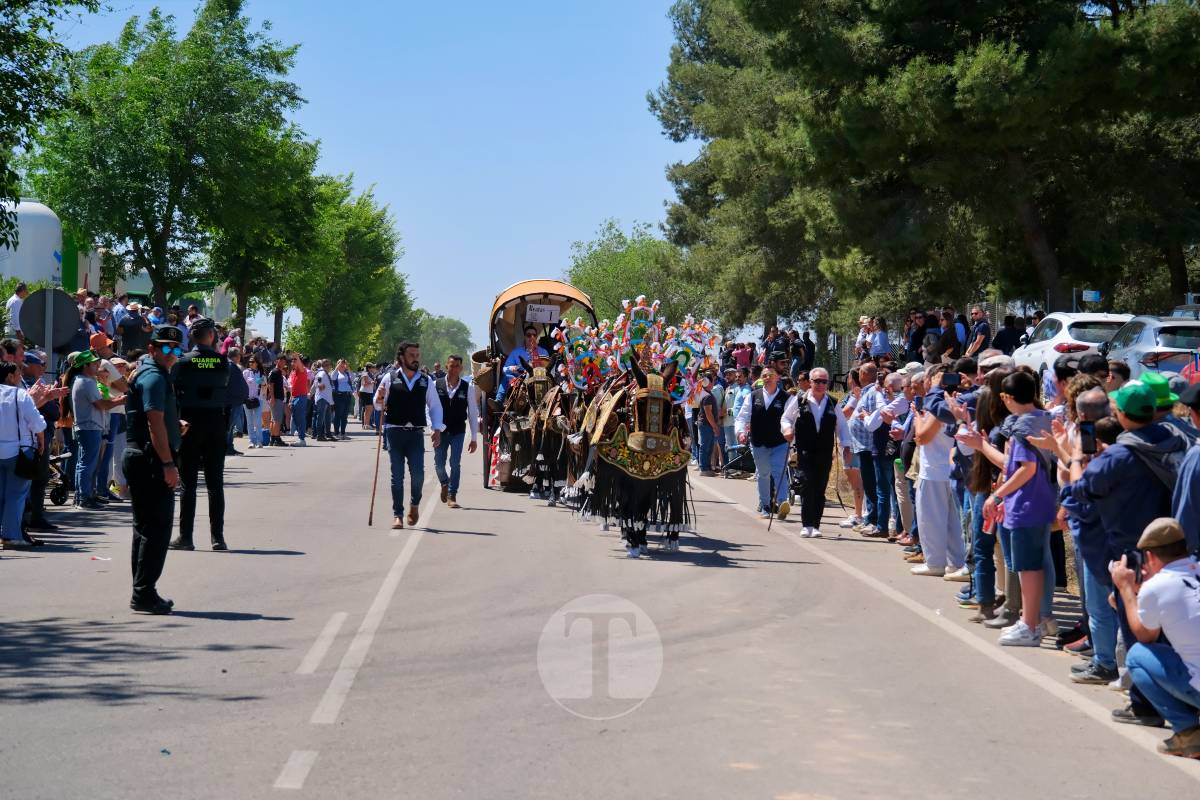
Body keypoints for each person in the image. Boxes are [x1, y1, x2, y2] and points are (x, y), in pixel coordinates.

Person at [1111, 518, 1200, 757]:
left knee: (1138, 656)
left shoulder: (1157, 586)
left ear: (1149, 556)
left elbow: (1145, 634)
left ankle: (1188, 732)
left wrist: (1126, 591)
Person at [125, 326, 184, 614]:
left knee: (144, 527)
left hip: (142, 455)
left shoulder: (148, 371)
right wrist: (168, 464)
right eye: (166, 348)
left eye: (176, 349)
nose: (172, 354)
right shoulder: (154, 376)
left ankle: (142, 590)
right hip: (150, 460)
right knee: (157, 529)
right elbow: (153, 421)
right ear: (152, 349)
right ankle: (144, 593)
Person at [169, 318, 231, 552]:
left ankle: (186, 536)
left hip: (189, 423)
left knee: (189, 483)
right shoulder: (223, 362)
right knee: (216, 483)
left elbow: (170, 391)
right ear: (212, 336)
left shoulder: (182, 362)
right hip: (215, 421)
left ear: (191, 337)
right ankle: (218, 538)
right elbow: (233, 391)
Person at [374, 342, 444, 529]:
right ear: (402, 358)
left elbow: (435, 406)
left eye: (417, 355)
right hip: (394, 431)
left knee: (418, 475)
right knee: (397, 476)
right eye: (411, 354)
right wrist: (380, 397)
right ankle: (398, 515)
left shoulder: (425, 380)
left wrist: (436, 428)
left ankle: (414, 505)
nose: (416, 358)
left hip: (415, 434)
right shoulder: (390, 378)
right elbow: (378, 405)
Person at [781, 367, 851, 537]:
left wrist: (846, 446)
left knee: (820, 488)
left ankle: (816, 526)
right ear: (810, 383)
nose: (820, 385)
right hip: (805, 451)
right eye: (817, 381)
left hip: (825, 452)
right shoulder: (799, 400)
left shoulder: (833, 403)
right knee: (807, 484)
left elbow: (842, 427)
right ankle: (807, 524)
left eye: (824, 381)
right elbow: (786, 418)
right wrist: (787, 430)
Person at [0, 362, 46, 551]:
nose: (21, 375)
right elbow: (37, 423)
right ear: (10, 376)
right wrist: (41, 440)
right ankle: (10, 535)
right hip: (20, 452)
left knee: (2, 494)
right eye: (18, 372)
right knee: (16, 495)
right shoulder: (20, 395)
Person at [70, 350, 125, 508]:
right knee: (88, 464)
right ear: (85, 366)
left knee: (86, 463)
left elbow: (102, 403)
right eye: (94, 363)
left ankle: (84, 496)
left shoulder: (84, 380)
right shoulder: (86, 382)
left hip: (89, 427)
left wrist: (116, 400)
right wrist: (120, 400)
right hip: (89, 427)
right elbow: (102, 404)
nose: (97, 366)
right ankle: (84, 498)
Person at [735, 366, 790, 520]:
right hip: (759, 442)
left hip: (780, 442)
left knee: (779, 471)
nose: (767, 377)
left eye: (770, 375)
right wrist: (740, 432)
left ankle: (782, 502)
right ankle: (765, 505)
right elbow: (742, 416)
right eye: (764, 375)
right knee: (764, 474)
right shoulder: (753, 396)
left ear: (777, 377)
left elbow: (793, 419)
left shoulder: (787, 398)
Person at [433, 354, 478, 509]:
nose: (454, 369)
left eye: (457, 366)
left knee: (455, 463)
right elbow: (429, 408)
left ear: (461, 368)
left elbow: (472, 413)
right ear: (447, 366)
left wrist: (474, 438)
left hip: (458, 431)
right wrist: (434, 427)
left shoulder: (468, 388)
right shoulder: (436, 384)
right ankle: (445, 483)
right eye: (451, 365)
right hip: (441, 431)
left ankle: (452, 495)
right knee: (439, 464)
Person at [496, 325, 549, 405]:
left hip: (540, 379)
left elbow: (548, 368)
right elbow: (504, 369)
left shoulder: (544, 352)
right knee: (507, 377)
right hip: (520, 380)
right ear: (524, 337)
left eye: (534, 335)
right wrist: (511, 368)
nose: (532, 337)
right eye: (528, 335)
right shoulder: (516, 352)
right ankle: (498, 401)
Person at [224, 347, 249, 456]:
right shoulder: (229, 366)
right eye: (239, 355)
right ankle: (226, 447)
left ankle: (229, 447)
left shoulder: (233, 366)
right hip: (231, 401)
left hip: (236, 400)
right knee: (229, 426)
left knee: (231, 425)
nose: (240, 358)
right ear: (236, 356)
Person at [242, 354, 265, 449]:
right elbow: (242, 384)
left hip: (258, 399)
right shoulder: (246, 372)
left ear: (257, 363)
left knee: (258, 421)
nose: (250, 363)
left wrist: (259, 381)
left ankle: (259, 441)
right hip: (247, 399)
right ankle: (251, 441)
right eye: (250, 362)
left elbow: (264, 384)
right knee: (250, 421)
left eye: (252, 362)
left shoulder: (261, 373)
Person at [266, 354, 289, 446]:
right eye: (282, 361)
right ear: (277, 361)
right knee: (277, 420)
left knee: (274, 419)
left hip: (278, 398)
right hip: (277, 398)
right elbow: (270, 385)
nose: (283, 363)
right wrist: (272, 397)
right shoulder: (275, 371)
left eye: (284, 361)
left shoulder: (278, 372)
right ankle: (277, 439)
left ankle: (273, 438)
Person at [288, 353, 310, 446]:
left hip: (301, 397)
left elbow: (300, 365)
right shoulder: (292, 372)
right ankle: (300, 437)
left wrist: (297, 357)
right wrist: (290, 399)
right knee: (296, 418)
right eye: (292, 361)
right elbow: (292, 387)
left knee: (300, 418)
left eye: (295, 361)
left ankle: (302, 439)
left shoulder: (303, 370)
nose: (293, 362)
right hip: (294, 397)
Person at [331, 359, 354, 439]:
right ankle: (337, 433)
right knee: (338, 414)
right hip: (339, 395)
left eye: (343, 364)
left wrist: (348, 366)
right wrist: (338, 365)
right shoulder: (336, 373)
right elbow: (332, 377)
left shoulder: (347, 373)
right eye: (341, 364)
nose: (343, 366)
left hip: (347, 395)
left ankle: (343, 432)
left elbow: (353, 377)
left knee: (344, 415)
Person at [312, 359, 334, 442]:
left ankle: (327, 434)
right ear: (324, 365)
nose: (329, 366)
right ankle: (319, 435)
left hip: (327, 398)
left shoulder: (325, 373)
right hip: (322, 398)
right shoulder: (321, 373)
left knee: (327, 418)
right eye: (328, 365)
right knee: (321, 417)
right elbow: (318, 380)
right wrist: (320, 385)